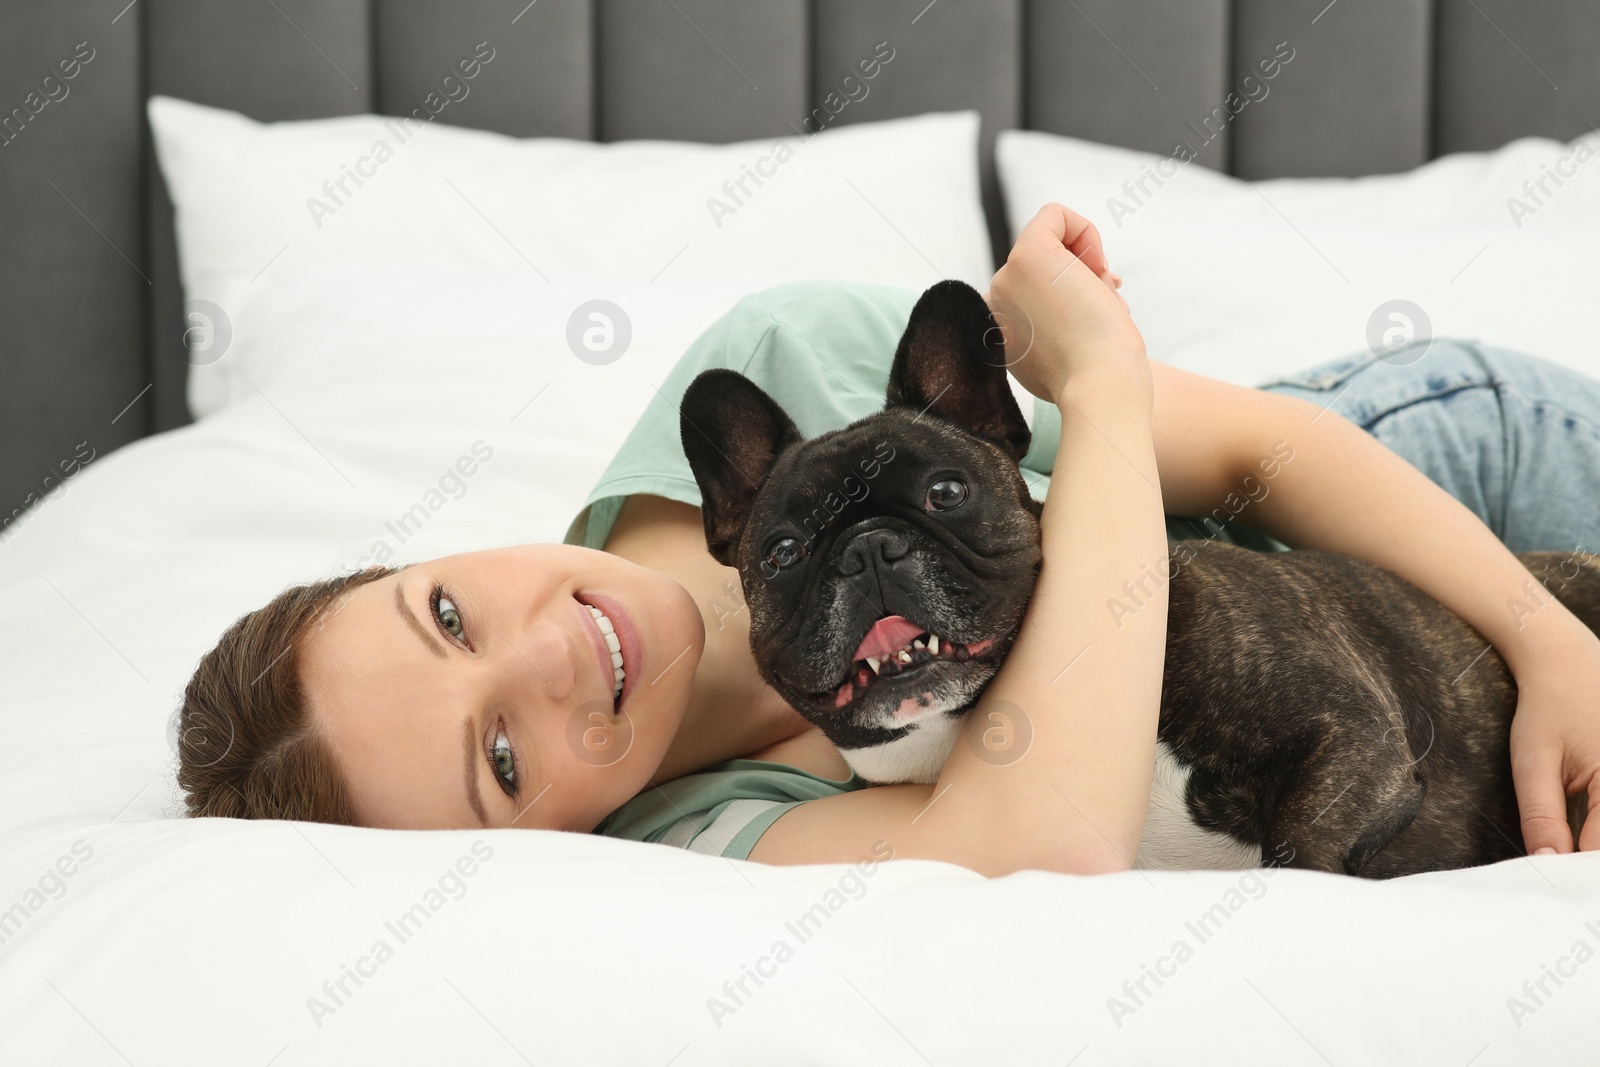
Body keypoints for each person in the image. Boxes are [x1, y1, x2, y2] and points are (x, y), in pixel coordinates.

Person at [175, 204, 1600, 877]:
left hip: (1428, 475)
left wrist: (1550, 645)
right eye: (498, 758)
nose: (550, 651)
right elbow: (1057, 839)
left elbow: (1258, 456)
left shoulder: (785, 360)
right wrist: (1090, 381)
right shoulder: (706, 839)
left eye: (448, 615)